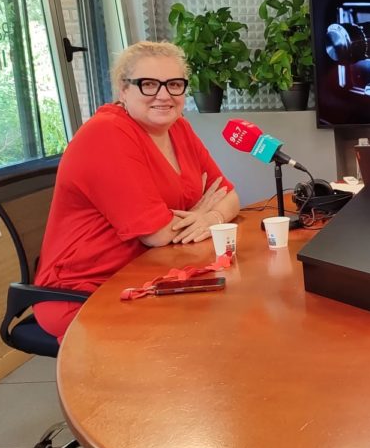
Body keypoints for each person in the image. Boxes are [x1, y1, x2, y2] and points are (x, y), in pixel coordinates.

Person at [33, 41, 241, 341]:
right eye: (148, 85)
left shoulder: (178, 128)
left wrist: (211, 216)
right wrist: (200, 212)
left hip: (153, 273)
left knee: (231, 314)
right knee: (206, 333)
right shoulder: (107, 134)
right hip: (88, 291)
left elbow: (230, 195)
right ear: (123, 90)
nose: (164, 95)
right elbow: (155, 234)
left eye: (174, 84)